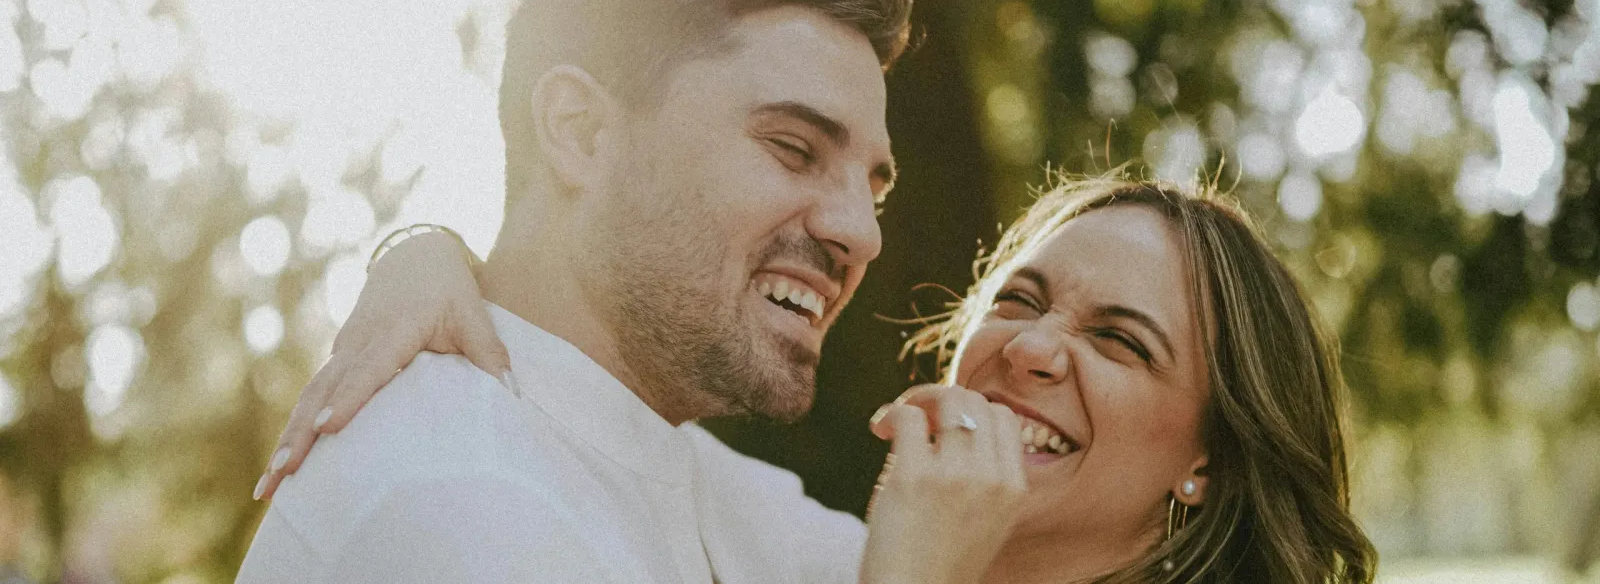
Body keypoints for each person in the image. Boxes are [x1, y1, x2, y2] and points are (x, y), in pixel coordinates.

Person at [237, 0, 1030, 582]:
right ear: (580, 132)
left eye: (874, 189)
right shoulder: (465, 501)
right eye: (794, 149)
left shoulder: (693, 480)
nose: (863, 233)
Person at [263, 173, 1379, 583]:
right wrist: (428, 252)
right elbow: (594, 399)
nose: (1036, 349)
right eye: (1024, 300)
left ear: (1208, 458)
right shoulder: (810, 550)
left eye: (1123, 341)